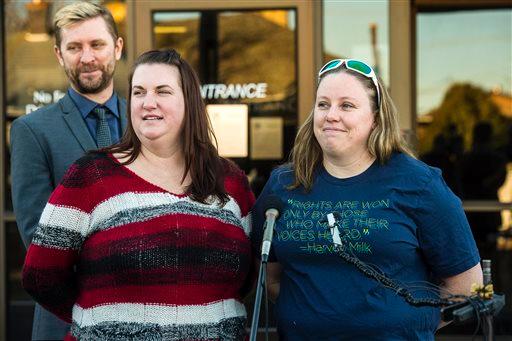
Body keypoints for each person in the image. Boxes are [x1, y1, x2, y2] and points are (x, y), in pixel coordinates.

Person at [21, 49, 255, 341]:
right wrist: (100, 321)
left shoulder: (230, 181)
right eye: (139, 92)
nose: (148, 102)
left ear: (189, 101)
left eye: (163, 91)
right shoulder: (91, 176)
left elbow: (249, 275)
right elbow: (41, 274)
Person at [252, 59, 483, 340]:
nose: (331, 115)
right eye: (323, 104)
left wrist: (407, 326)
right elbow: (271, 277)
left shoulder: (419, 184)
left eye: (346, 105)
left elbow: (466, 283)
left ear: (375, 117)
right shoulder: (285, 184)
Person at [10, 2, 126, 339]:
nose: (86, 57)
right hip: (67, 316)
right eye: (74, 47)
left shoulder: (147, 120)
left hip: (148, 312)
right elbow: (37, 234)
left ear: (117, 48)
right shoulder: (32, 130)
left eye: (97, 44)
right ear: (59, 54)